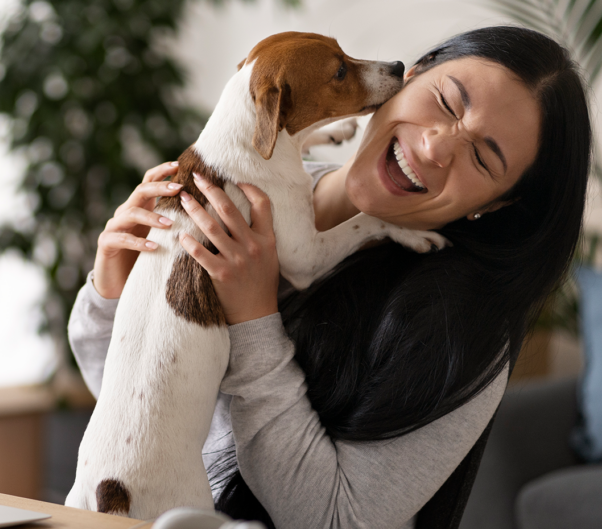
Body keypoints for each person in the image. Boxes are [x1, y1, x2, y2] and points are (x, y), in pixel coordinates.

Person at [68, 26, 592, 529]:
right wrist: (115, 289)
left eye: (481, 156)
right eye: (446, 102)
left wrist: (255, 323)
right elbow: (140, 417)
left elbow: (339, 520)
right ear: (414, 74)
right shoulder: (239, 190)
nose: (435, 147)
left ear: (496, 204)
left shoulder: (462, 329)